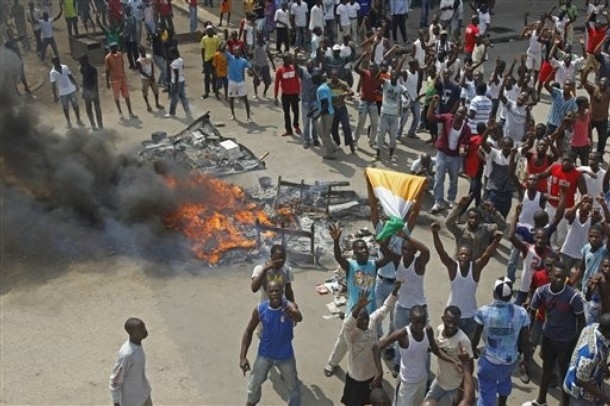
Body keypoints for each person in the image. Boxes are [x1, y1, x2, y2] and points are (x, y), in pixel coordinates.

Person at [323, 222, 394, 377]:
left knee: (371, 341)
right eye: (359, 248)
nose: (363, 250)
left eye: (365, 248)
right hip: (353, 311)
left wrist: (383, 244)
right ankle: (332, 363)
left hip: (370, 312)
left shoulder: (373, 265)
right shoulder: (350, 266)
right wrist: (336, 241)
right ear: (354, 252)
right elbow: (337, 257)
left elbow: (389, 258)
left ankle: (373, 370)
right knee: (344, 339)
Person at [523, 263, 585, 406]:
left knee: (564, 374)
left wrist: (575, 342)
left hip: (566, 341)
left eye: (562, 277)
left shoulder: (573, 296)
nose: (559, 279)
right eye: (556, 276)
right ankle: (541, 401)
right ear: (549, 275)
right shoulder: (541, 292)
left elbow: (581, 321)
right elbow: (533, 311)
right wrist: (531, 332)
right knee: (547, 370)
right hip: (549, 338)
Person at [432, 221, 503, 337]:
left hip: (470, 315)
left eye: (467, 255)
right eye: (461, 254)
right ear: (457, 256)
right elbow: (441, 253)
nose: (464, 257)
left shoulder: (475, 268)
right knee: (449, 345)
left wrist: (496, 241)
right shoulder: (453, 267)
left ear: (471, 257)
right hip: (452, 316)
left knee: (466, 346)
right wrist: (435, 233)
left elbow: (486, 255)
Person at [379, 304, 461, 406]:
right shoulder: (403, 334)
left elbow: (436, 350)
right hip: (406, 383)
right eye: (417, 322)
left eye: (423, 321)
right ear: (410, 319)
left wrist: (453, 361)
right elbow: (378, 346)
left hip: (422, 380)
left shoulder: (428, 330)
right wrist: (379, 371)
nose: (420, 325)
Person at [240, 282, 302, 406]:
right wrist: (242, 357)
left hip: (286, 357)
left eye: (277, 290)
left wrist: (294, 312)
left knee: (293, 387)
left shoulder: (289, 307)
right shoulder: (260, 309)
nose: (274, 294)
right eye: (271, 291)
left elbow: (299, 317)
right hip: (264, 355)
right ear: (266, 293)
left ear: (282, 292)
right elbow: (248, 331)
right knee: (253, 385)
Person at [471, 278, 531, 406]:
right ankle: (502, 404)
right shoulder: (521, 313)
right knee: (504, 381)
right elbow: (526, 341)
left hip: (489, 361)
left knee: (486, 391)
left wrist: (472, 350)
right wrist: (526, 359)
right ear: (510, 296)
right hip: (510, 361)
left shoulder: (484, 311)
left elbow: (475, 337)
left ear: (494, 293)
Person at [342, 285, 399, 406]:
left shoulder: (372, 321)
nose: (365, 321)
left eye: (366, 318)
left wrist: (394, 292)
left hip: (373, 376)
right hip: (356, 378)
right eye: (360, 319)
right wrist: (358, 307)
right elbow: (348, 324)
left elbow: (385, 308)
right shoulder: (351, 333)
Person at [392, 234, 431, 376]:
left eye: (409, 249)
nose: (405, 252)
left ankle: (425, 373)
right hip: (401, 307)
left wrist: (406, 236)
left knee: (424, 343)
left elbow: (426, 251)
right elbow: (383, 248)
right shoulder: (398, 260)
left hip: (419, 309)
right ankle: (397, 364)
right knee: (398, 338)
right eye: (403, 249)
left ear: (415, 252)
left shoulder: (418, 263)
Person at [427, 95, 472, 213]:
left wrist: (462, 149)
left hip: (455, 157)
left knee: (454, 180)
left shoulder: (466, 129)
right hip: (442, 153)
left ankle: (451, 199)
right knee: (439, 178)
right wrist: (432, 103)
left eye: (462, 113)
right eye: (458, 112)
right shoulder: (447, 118)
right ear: (455, 112)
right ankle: (438, 202)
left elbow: (464, 143)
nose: (459, 115)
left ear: (464, 116)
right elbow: (430, 117)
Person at [424, 306, 474, 405]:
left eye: (455, 323)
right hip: (439, 381)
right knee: (427, 402)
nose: (451, 325)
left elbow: (470, 365)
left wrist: (462, 388)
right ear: (443, 319)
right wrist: (453, 361)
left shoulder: (463, 340)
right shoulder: (439, 329)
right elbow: (437, 350)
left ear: (459, 322)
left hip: (454, 386)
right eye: (448, 321)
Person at [563, 313, 610, 404]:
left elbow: (602, 354)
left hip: (593, 378)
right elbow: (581, 380)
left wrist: (605, 368)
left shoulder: (593, 326)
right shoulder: (592, 354)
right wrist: (606, 399)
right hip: (581, 392)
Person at [109, 318, 152, 406]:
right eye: (141, 330)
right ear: (132, 334)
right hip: (133, 401)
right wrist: (116, 402)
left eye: (144, 327)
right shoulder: (126, 355)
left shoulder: (137, 344)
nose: (145, 331)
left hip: (144, 395)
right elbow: (115, 381)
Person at [375, 56, 407, 162]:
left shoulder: (401, 87)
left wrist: (406, 101)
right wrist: (380, 71)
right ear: (390, 76)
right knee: (381, 133)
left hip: (394, 115)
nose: (393, 77)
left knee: (393, 136)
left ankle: (391, 154)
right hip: (384, 112)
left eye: (395, 75)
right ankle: (378, 153)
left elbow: (407, 96)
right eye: (392, 75)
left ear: (397, 77)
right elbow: (375, 79)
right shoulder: (385, 82)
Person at [353, 51, 382, 149]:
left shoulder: (379, 77)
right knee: (361, 123)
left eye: (373, 67)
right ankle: (355, 141)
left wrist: (379, 93)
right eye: (370, 67)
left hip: (373, 103)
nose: (371, 68)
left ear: (377, 69)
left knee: (375, 123)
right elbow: (355, 68)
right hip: (364, 102)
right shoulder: (365, 74)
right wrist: (362, 56)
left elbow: (383, 90)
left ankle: (372, 141)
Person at [581, 67, 610, 157]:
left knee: (602, 138)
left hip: (603, 119)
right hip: (591, 118)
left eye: (605, 85)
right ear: (599, 83)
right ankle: (585, 152)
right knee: (585, 135)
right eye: (602, 84)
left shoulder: (608, 92)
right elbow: (583, 82)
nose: (603, 86)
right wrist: (587, 72)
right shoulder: (593, 88)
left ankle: (599, 155)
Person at [105, 42, 138, 121]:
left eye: (116, 47)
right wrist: (107, 82)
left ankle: (130, 112)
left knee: (126, 96)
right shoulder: (107, 58)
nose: (115, 49)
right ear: (110, 49)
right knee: (116, 97)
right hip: (114, 80)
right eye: (113, 48)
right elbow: (107, 70)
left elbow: (122, 66)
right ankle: (120, 113)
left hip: (122, 78)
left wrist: (124, 76)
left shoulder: (120, 55)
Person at [49, 57, 85, 129]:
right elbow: (53, 85)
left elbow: (70, 76)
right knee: (65, 108)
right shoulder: (52, 73)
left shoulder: (65, 67)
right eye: (56, 61)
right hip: (62, 93)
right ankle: (68, 122)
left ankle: (78, 120)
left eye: (58, 60)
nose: (58, 62)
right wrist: (55, 96)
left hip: (71, 90)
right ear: (53, 63)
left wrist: (76, 85)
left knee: (76, 106)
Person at [225, 46, 255, 122]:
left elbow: (250, 68)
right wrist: (227, 41)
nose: (237, 52)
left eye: (238, 51)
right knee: (231, 99)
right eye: (235, 50)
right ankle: (232, 114)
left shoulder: (243, 61)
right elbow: (221, 49)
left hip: (241, 82)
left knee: (245, 99)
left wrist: (256, 76)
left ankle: (248, 117)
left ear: (240, 52)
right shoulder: (230, 57)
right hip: (232, 81)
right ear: (233, 51)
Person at [275, 53, 302, 137]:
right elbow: (276, 84)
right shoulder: (280, 70)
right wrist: (275, 96)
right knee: (286, 113)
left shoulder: (293, 68)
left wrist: (299, 93)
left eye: (290, 58)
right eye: (288, 59)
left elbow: (297, 81)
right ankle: (288, 129)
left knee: (296, 111)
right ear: (284, 60)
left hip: (294, 94)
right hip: (285, 95)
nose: (290, 60)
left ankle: (296, 126)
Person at [328, 68, 355, 152]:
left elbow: (351, 92)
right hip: (333, 108)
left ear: (338, 76)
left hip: (342, 108)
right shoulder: (328, 84)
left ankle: (350, 143)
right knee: (333, 128)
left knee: (346, 126)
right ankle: (337, 143)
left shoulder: (343, 84)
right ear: (331, 77)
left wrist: (344, 94)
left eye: (335, 76)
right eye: (333, 77)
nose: (334, 78)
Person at [314, 72, 339, 160]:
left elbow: (324, 105)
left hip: (326, 114)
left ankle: (330, 153)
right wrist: (313, 110)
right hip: (328, 113)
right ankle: (334, 146)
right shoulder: (325, 87)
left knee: (325, 134)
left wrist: (317, 115)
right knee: (320, 131)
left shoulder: (320, 89)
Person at [296, 58, 319, 148]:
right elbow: (295, 66)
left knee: (315, 122)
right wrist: (295, 55)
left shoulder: (317, 72)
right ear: (305, 65)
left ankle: (315, 138)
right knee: (306, 123)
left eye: (311, 64)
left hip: (315, 102)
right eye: (307, 64)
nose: (309, 66)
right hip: (305, 101)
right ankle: (306, 140)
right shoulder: (302, 73)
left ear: (313, 65)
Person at [165, 47, 193, 120]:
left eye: (170, 54)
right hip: (182, 80)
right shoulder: (181, 60)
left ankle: (172, 112)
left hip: (176, 82)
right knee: (183, 97)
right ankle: (188, 112)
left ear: (173, 54)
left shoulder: (174, 63)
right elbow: (182, 68)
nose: (169, 55)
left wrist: (176, 84)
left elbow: (176, 74)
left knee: (174, 98)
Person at [78, 54, 103, 131]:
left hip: (93, 91)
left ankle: (100, 125)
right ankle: (93, 125)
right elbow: (84, 80)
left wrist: (93, 92)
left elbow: (96, 82)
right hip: (86, 91)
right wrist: (83, 91)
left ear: (85, 60)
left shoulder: (92, 69)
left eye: (80, 61)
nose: (79, 62)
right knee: (88, 109)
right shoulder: (82, 68)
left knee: (97, 109)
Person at [136, 46, 164, 113]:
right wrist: (149, 76)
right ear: (140, 52)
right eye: (142, 51)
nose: (144, 52)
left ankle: (157, 104)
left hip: (151, 76)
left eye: (144, 50)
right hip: (144, 79)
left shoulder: (149, 56)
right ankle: (148, 105)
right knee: (145, 92)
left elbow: (152, 66)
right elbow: (141, 71)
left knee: (156, 90)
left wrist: (152, 75)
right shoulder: (138, 61)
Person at [251, 33, 275, 99]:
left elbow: (269, 54)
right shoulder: (254, 44)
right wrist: (251, 65)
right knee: (255, 81)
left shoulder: (266, 44)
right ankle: (255, 93)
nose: (260, 38)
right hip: (257, 65)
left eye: (261, 36)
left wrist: (273, 64)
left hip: (265, 65)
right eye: (259, 37)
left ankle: (264, 92)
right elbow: (251, 54)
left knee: (268, 81)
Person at [201, 25, 221, 99]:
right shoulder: (204, 39)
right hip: (207, 59)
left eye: (211, 30)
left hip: (215, 59)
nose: (209, 32)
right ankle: (207, 91)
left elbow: (218, 48)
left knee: (215, 76)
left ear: (213, 31)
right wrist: (203, 61)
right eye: (208, 30)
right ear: (206, 31)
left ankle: (215, 90)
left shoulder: (216, 38)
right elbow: (202, 50)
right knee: (207, 77)